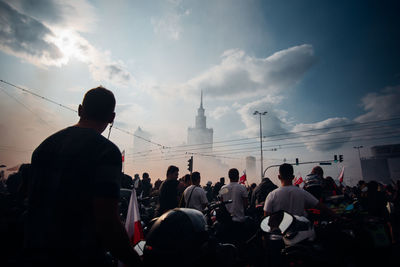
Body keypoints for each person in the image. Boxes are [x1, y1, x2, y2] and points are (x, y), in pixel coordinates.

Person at [24, 87, 141, 266]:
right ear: (111, 118)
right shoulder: (106, 152)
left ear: (80, 110)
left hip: (33, 253)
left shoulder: (44, 147)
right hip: (79, 256)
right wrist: (134, 260)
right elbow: (107, 221)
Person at [264, 163, 334, 218]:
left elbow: (266, 217)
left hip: (279, 233)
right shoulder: (302, 192)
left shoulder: (272, 195)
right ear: (293, 177)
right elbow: (321, 206)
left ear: (279, 177)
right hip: (301, 233)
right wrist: (337, 216)